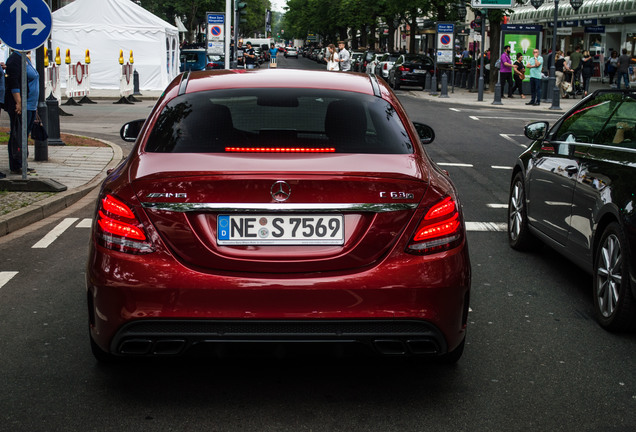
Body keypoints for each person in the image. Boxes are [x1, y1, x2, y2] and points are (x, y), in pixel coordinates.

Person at [4, 50, 38, 175]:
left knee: (24, 135)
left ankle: (22, 163)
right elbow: (14, 83)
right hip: (22, 105)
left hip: (30, 105)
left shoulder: (25, 58)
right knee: (18, 134)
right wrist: (18, 102)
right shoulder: (14, 60)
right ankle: (16, 164)